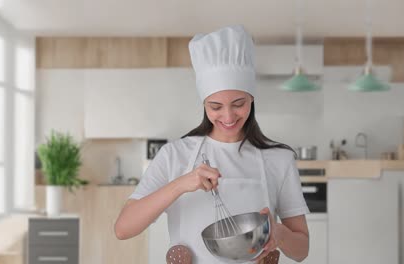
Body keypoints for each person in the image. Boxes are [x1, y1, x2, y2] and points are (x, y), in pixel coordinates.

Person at [114, 25, 310, 263]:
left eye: (238, 104)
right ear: (204, 104)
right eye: (215, 107)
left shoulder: (279, 159)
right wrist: (182, 184)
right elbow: (123, 229)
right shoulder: (174, 155)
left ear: (252, 98)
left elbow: (301, 250)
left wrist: (277, 233)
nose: (228, 117)